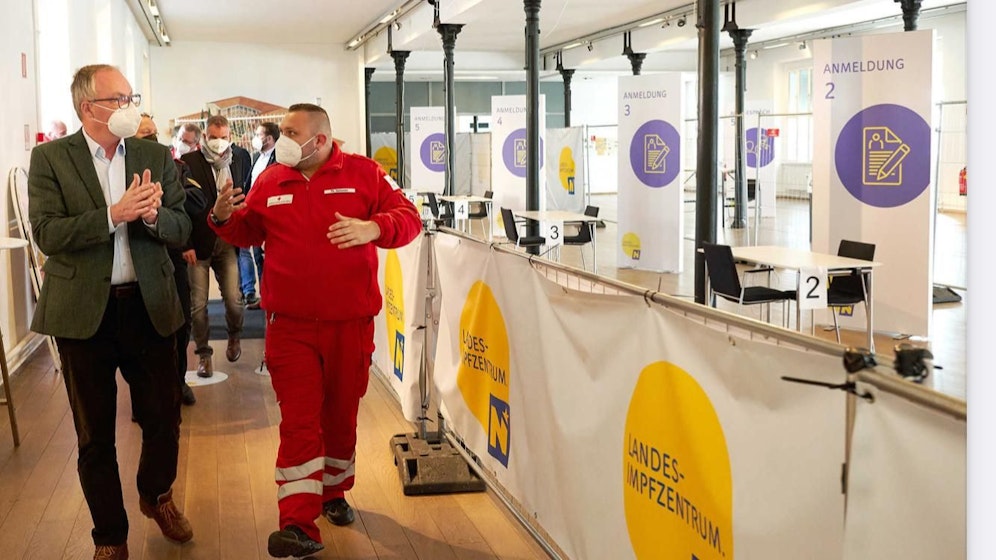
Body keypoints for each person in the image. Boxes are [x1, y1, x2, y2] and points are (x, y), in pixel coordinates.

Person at [208, 103, 422, 558]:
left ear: (320, 140)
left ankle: (334, 491)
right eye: (282, 128)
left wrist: (373, 227)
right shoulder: (271, 179)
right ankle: (297, 523)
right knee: (300, 422)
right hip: (289, 327)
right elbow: (248, 233)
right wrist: (224, 218)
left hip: (350, 324)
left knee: (340, 417)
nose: (281, 136)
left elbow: (409, 219)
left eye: (290, 130)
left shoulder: (365, 173)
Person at [27, 64, 193, 560]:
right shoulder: (50, 159)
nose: (129, 107)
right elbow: (48, 234)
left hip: (149, 308)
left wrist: (152, 215)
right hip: (83, 314)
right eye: (118, 98)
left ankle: (155, 494)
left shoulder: (153, 154)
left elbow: (183, 227)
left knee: (163, 420)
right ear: (88, 108)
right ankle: (110, 537)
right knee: (93, 435)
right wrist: (111, 215)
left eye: (131, 96)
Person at [137, 114, 203, 406]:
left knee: (180, 323)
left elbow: (195, 203)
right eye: (143, 135)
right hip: (138, 260)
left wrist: (164, 201)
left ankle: (178, 381)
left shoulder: (175, 166)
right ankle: (146, 395)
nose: (150, 140)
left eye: (153, 134)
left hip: (171, 255)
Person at [180, 115, 251, 377]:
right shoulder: (189, 162)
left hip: (229, 241)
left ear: (231, 137)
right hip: (197, 244)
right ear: (204, 137)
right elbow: (182, 206)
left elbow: (247, 192)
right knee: (198, 304)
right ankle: (203, 355)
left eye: (223, 137)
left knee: (234, 299)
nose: (219, 142)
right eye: (213, 137)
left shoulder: (241, 158)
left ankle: (234, 336)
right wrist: (184, 243)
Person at [238, 122, 279, 309]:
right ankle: (262, 297)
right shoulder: (257, 156)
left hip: (271, 214)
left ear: (269, 138)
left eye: (258, 134)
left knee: (267, 257)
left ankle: (270, 298)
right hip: (253, 212)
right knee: (256, 255)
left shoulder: (279, 158)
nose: (255, 137)